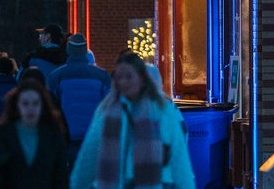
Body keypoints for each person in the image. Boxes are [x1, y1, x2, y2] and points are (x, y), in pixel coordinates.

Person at [68, 52, 194, 189]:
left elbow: (178, 156)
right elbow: (90, 153)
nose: (123, 81)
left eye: (128, 76)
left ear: (141, 78)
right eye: (119, 77)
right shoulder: (106, 110)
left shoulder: (162, 111)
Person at [0, 80, 69, 189]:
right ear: (17, 105)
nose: (30, 109)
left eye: (35, 103)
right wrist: (3, 162)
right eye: (25, 103)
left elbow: (61, 175)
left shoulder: (52, 134)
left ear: (42, 106)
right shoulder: (4, 133)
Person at [47, 34, 111, 167]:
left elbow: (50, 107)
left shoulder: (56, 76)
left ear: (68, 51)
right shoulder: (102, 76)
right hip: (94, 136)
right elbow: (109, 106)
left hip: (67, 137)